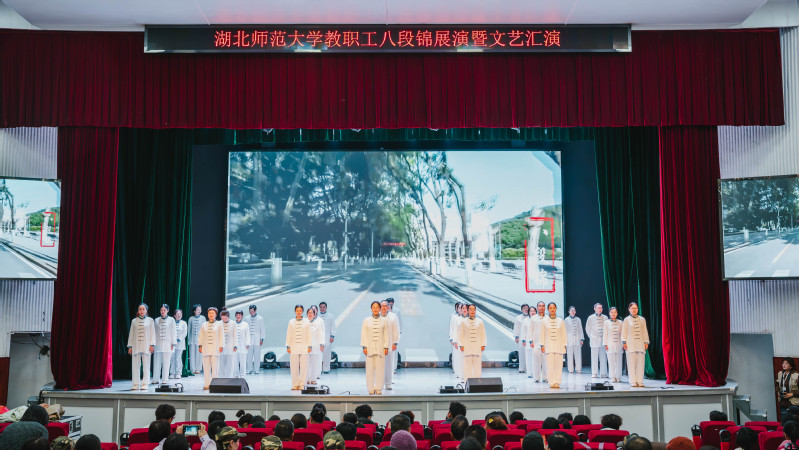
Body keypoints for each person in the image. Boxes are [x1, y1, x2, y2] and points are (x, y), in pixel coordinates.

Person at [361, 301, 389, 394]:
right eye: (373, 307)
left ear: (380, 309)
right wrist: (364, 346)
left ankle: (378, 388)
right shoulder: (366, 320)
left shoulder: (384, 321)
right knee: (370, 369)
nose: (375, 309)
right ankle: (371, 388)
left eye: (377, 307)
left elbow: (386, 335)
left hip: (380, 347)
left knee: (380, 368)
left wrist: (386, 347)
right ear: (371, 309)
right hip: (369, 347)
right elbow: (364, 334)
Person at [128, 303, 156, 390]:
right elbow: (131, 334)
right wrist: (130, 346)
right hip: (136, 345)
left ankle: (145, 383)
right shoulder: (134, 321)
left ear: (146, 310)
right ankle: (135, 383)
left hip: (146, 345)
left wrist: (152, 345)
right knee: (135, 366)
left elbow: (152, 333)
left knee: (146, 366)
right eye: (140, 309)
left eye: (143, 309)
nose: (141, 311)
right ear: (138, 310)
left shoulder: (150, 320)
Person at [622, 302, 650, 387]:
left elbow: (645, 331)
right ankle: (633, 381)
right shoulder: (626, 320)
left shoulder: (642, 319)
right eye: (632, 308)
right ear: (629, 309)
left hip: (640, 344)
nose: (634, 310)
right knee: (631, 363)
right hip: (630, 344)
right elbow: (624, 332)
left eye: (635, 308)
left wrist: (646, 342)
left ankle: (640, 381)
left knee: (640, 363)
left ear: (638, 309)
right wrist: (624, 342)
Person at [540, 302, 567, 388]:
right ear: (548, 309)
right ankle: (551, 382)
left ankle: (557, 382)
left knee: (559, 366)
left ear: (556, 309)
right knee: (550, 365)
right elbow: (542, 334)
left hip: (559, 345)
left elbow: (564, 334)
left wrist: (564, 345)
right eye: (550, 308)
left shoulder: (560, 321)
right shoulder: (544, 321)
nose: (552, 309)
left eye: (554, 308)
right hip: (549, 346)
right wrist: (542, 345)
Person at [286, 304, 312, 390]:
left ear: (303, 311)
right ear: (295, 311)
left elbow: (309, 334)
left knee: (304, 367)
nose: (298, 312)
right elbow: (289, 334)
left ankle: (302, 384)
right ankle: (295, 384)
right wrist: (288, 346)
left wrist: (310, 345)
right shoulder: (291, 322)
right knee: (294, 367)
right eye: (297, 311)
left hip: (304, 346)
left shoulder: (307, 321)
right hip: (294, 347)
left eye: (300, 311)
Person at [198, 307, 225, 390]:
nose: (211, 314)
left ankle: (214, 384)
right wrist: (200, 345)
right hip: (206, 348)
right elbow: (201, 336)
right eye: (209, 313)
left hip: (215, 348)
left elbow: (221, 336)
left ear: (216, 314)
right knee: (206, 368)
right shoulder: (204, 324)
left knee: (215, 367)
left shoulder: (219, 324)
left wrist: (221, 346)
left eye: (212, 313)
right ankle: (207, 384)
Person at [459, 304, 487, 379]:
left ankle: (477, 383)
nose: (472, 311)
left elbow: (483, 334)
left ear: (475, 311)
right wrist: (461, 345)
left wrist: (483, 344)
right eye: (470, 309)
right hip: (467, 347)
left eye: (474, 309)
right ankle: (467, 382)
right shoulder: (463, 322)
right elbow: (460, 334)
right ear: (468, 311)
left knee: (477, 368)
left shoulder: (480, 322)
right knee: (467, 367)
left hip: (477, 347)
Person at [153, 304, 177, 385]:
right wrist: (153, 343)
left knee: (166, 362)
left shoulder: (171, 320)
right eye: (161, 310)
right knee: (157, 362)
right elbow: (154, 332)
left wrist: (173, 343)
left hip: (168, 344)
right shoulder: (156, 320)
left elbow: (174, 332)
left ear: (167, 310)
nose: (163, 311)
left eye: (164, 310)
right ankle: (156, 378)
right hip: (158, 343)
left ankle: (165, 379)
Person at [524, 302, 547, 382]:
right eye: (540, 306)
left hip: (546, 343)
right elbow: (530, 330)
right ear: (537, 308)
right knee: (536, 361)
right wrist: (531, 341)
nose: (541, 307)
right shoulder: (533, 318)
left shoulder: (547, 318)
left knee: (545, 362)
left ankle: (545, 378)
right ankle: (536, 378)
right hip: (536, 343)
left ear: (545, 308)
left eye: (543, 306)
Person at [585, 303, 608, 379]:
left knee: (603, 357)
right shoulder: (590, 317)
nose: (600, 309)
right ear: (594, 309)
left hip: (603, 340)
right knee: (594, 357)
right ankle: (594, 373)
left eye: (601, 308)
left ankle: (603, 373)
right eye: (598, 308)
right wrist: (591, 336)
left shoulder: (605, 317)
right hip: (594, 340)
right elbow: (587, 328)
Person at [382, 300, 400, 390]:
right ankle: (379, 383)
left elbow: (397, 330)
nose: (384, 307)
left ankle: (388, 383)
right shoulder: (377, 317)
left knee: (389, 365)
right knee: (379, 365)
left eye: (385, 306)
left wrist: (395, 342)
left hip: (390, 344)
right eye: (382, 306)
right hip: (379, 345)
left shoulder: (393, 317)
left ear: (388, 307)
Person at [603, 306, 624, 383]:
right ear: (609, 313)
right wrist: (605, 344)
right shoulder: (606, 323)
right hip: (610, 344)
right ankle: (612, 376)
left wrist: (623, 343)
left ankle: (618, 377)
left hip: (619, 344)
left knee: (618, 361)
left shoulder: (621, 322)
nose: (613, 314)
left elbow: (623, 334)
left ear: (617, 313)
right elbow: (605, 334)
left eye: (615, 312)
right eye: (611, 312)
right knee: (611, 361)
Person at [307, 305, 325, 385]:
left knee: (314, 364)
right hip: (306, 347)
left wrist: (322, 344)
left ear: (315, 314)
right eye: (309, 313)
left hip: (315, 346)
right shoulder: (304, 323)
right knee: (306, 364)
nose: (310, 314)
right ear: (307, 314)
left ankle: (313, 379)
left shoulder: (318, 323)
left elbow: (321, 334)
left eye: (312, 313)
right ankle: (307, 378)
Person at [245, 305, 266, 375]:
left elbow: (262, 329)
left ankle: (256, 369)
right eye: (250, 311)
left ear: (255, 311)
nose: (251, 313)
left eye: (252, 311)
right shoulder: (247, 318)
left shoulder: (260, 318)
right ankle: (249, 369)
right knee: (249, 356)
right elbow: (246, 330)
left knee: (257, 355)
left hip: (257, 339)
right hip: (249, 339)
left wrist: (262, 339)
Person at [564, 306, 584, 373]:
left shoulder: (578, 319)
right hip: (569, 339)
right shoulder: (566, 320)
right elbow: (564, 331)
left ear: (575, 311)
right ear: (569, 311)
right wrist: (564, 341)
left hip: (577, 339)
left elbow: (580, 329)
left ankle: (578, 368)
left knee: (578, 354)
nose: (573, 312)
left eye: (574, 310)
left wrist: (581, 339)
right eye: (571, 310)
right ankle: (570, 369)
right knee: (569, 355)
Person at [219, 309, 238, 378]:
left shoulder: (233, 323)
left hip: (230, 346)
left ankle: (229, 377)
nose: (224, 319)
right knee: (221, 364)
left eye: (225, 318)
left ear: (228, 317)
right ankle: (221, 378)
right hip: (221, 347)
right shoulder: (219, 323)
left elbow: (235, 335)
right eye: (223, 318)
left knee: (230, 364)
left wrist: (235, 345)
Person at [188, 304, 206, 374]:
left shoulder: (203, 318)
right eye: (198, 309)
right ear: (194, 311)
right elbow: (189, 330)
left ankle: (198, 369)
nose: (199, 311)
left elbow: (204, 329)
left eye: (200, 310)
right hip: (192, 339)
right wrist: (188, 340)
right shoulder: (191, 318)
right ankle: (192, 369)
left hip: (200, 339)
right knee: (192, 354)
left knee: (199, 354)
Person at [318, 302, 336, 373]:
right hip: (318, 338)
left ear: (326, 307)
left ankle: (326, 369)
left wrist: (332, 336)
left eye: (324, 307)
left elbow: (333, 326)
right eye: (321, 307)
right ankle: (318, 370)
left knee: (327, 354)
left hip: (327, 337)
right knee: (318, 355)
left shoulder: (330, 316)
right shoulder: (317, 316)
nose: (322, 308)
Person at [170, 309, 188, 379]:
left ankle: (178, 373)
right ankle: (172, 373)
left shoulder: (184, 323)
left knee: (178, 358)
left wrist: (179, 339)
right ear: (174, 315)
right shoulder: (172, 322)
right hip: (172, 343)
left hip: (180, 343)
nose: (179, 315)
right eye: (177, 314)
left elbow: (185, 333)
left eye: (180, 314)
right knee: (172, 358)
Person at [449, 303, 465, 382]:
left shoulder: (467, 318)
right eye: (460, 308)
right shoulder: (454, 318)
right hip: (457, 341)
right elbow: (452, 329)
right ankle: (458, 373)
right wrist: (452, 339)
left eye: (463, 308)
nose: (461, 310)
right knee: (457, 357)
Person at [513, 304, 530, 374]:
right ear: (521, 310)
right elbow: (516, 327)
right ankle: (522, 368)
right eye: (524, 308)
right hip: (521, 337)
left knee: (529, 353)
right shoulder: (518, 318)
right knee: (522, 353)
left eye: (527, 308)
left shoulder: (531, 317)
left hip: (529, 337)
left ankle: (529, 368)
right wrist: (516, 336)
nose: (525, 309)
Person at [387, 298, 402, 373]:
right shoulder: (382, 312)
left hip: (394, 334)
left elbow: (400, 322)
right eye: (389, 302)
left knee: (394, 351)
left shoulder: (396, 311)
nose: (390, 304)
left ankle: (393, 368)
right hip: (386, 334)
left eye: (391, 302)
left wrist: (399, 332)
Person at [233, 311, 250, 378]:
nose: (238, 316)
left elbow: (247, 335)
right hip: (234, 345)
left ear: (242, 316)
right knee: (235, 361)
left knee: (243, 361)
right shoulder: (233, 324)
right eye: (237, 315)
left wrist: (247, 343)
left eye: (239, 315)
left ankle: (243, 375)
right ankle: (236, 374)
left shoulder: (245, 324)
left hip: (243, 345)